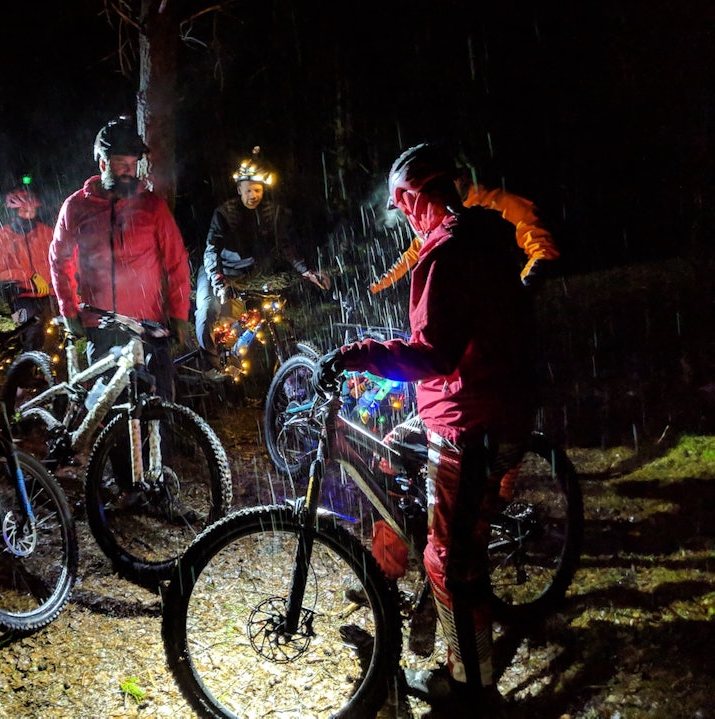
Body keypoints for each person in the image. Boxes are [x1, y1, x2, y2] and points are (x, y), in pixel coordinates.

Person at [315, 143, 537, 715]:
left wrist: (361, 354)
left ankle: (472, 689)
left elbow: (434, 353)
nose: (403, 215)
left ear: (415, 197)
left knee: (452, 561)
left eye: (402, 204)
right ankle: (390, 576)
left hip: (471, 422)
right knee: (393, 448)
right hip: (491, 403)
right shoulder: (481, 236)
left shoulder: (446, 250)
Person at [49, 115, 190, 401]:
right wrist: (69, 311)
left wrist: (179, 315)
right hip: (101, 326)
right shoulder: (76, 206)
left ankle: (164, 447)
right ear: (103, 164)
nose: (129, 171)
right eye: (120, 164)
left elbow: (176, 263)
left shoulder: (153, 207)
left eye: (132, 165)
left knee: (158, 405)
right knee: (109, 410)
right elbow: (59, 260)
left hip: (148, 326)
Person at [196, 146, 330, 378]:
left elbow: (286, 246)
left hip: (243, 278)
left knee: (232, 332)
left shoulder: (272, 214)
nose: (253, 195)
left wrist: (307, 271)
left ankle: (230, 378)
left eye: (257, 190)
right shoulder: (224, 213)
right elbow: (211, 250)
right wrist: (219, 283)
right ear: (239, 189)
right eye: (248, 190)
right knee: (208, 311)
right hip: (216, 274)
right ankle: (208, 366)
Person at [369, 145, 560, 294]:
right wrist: (375, 287)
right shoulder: (441, 217)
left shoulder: (502, 204)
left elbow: (543, 251)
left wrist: (520, 291)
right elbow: (413, 253)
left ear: (459, 177)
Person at [0, 187, 56, 352]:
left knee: (53, 339)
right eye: (24, 211)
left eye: (32, 210)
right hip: (20, 297)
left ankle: (49, 374)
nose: (29, 215)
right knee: (30, 336)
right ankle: (26, 371)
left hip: (49, 294)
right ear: (13, 213)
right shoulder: (1, 235)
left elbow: (59, 261)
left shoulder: (46, 232)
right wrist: (30, 275)